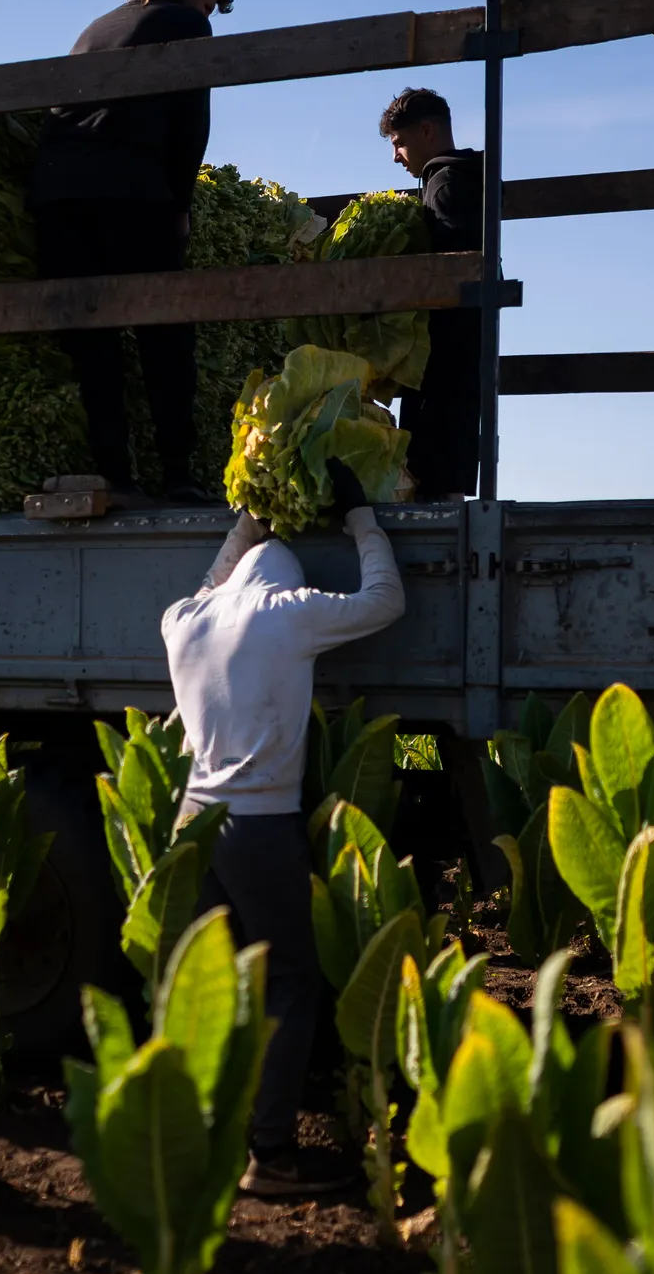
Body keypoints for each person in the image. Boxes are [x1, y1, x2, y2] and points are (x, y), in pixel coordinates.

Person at [161, 464, 406, 1196]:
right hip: (261, 825)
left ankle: (203, 1131)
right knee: (291, 982)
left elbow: (211, 582)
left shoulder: (183, 620)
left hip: (193, 824)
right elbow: (384, 600)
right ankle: (269, 1154)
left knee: (215, 979)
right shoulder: (289, 610)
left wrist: (246, 523)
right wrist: (362, 516)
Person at [31, 0, 234, 505]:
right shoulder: (185, 22)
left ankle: (115, 475)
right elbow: (191, 121)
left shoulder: (96, 28)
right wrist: (181, 204)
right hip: (128, 188)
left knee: (93, 339)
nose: (208, 18)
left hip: (56, 194)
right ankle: (176, 474)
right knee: (165, 331)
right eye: (208, 4)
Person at [379, 87, 484, 502]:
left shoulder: (444, 186)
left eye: (399, 142)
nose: (396, 156)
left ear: (426, 130)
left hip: (441, 356)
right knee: (448, 481)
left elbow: (448, 272)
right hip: (463, 354)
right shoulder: (467, 177)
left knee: (433, 483)